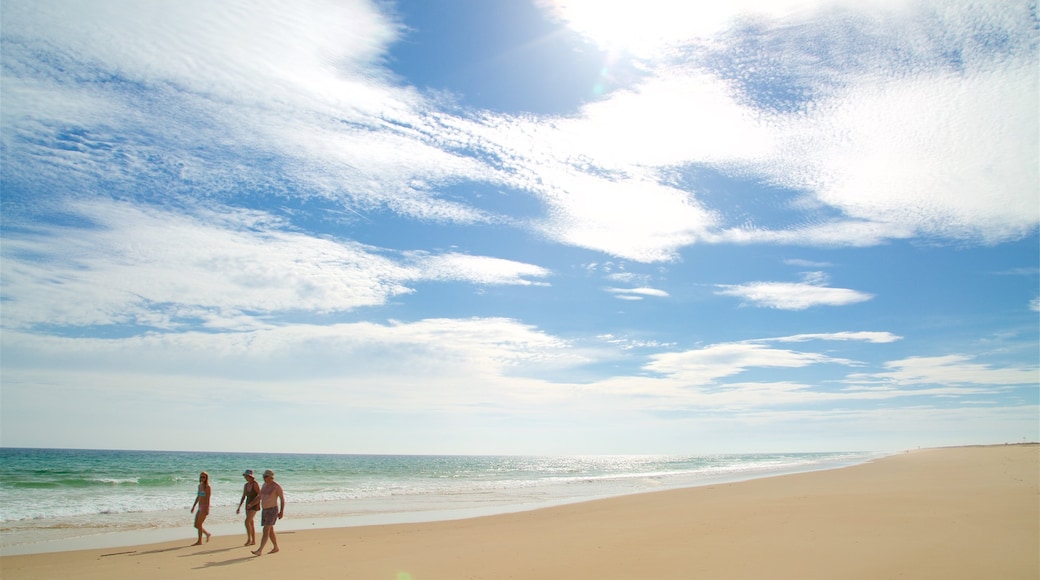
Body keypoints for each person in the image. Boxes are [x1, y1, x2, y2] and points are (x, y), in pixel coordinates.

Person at [251, 469, 285, 556]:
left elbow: (282, 499)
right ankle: (276, 547)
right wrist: (251, 504)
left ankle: (260, 550)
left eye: (266, 476)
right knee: (270, 530)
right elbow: (260, 496)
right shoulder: (264, 485)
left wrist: (281, 511)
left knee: (266, 529)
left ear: (271, 477)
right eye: (264, 476)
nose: (264, 478)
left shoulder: (276, 487)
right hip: (265, 510)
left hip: (272, 510)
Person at [236, 469, 262, 546]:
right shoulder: (246, 485)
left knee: (247, 521)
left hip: (254, 504)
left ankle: (249, 539)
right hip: (247, 504)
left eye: (247, 476)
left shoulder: (255, 484)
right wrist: (239, 507)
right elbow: (243, 496)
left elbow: (259, 495)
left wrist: (253, 503)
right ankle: (253, 540)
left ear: (250, 476)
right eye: (245, 476)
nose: (246, 478)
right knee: (251, 523)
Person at [190, 471, 212, 545]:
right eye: (201, 477)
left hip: (204, 507)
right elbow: (198, 497)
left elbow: (208, 498)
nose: (202, 478)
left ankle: (199, 541)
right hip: (199, 507)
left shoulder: (207, 487)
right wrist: (193, 506)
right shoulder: (199, 486)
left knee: (199, 524)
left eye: (204, 477)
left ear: (206, 478)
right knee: (196, 525)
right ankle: (207, 534)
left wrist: (207, 509)